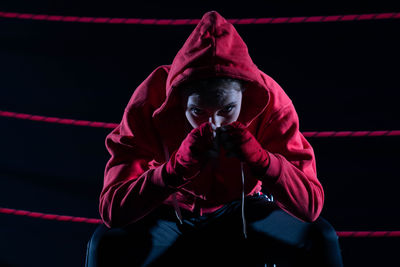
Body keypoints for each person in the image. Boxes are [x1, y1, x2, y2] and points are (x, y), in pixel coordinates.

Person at [94, 11, 344, 267]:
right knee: (105, 242)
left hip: (242, 208)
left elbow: (310, 205)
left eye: (227, 110)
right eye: (198, 112)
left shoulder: (271, 102)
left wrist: (264, 162)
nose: (215, 124)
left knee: (320, 237)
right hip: (170, 209)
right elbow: (112, 209)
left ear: (245, 95)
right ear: (180, 100)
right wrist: (173, 171)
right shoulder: (151, 99)